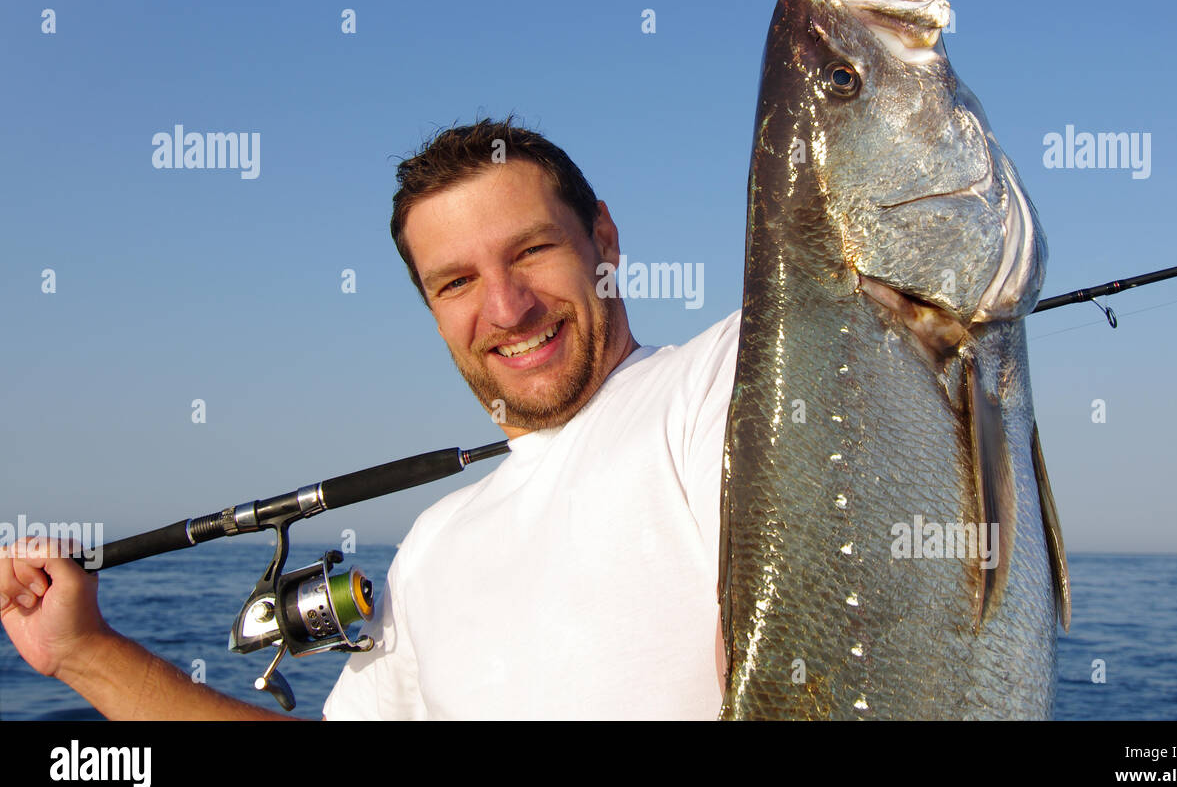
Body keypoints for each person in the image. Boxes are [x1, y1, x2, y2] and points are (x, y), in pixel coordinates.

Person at [0, 117, 738, 720]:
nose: (507, 308)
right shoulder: (431, 547)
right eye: (456, 281)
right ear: (431, 308)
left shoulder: (726, 378)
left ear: (603, 240)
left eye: (533, 250)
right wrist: (82, 651)